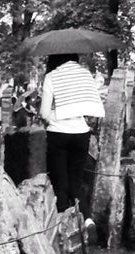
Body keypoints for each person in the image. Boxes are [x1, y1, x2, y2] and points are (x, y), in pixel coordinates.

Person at [40, 54, 105, 212]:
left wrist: (51, 119)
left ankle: (64, 223)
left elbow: (44, 112)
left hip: (57, 133)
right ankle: (86, 220)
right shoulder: (85, 75)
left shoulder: (52, 76)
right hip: (81, 133)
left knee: (60, 182)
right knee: (76, 181)